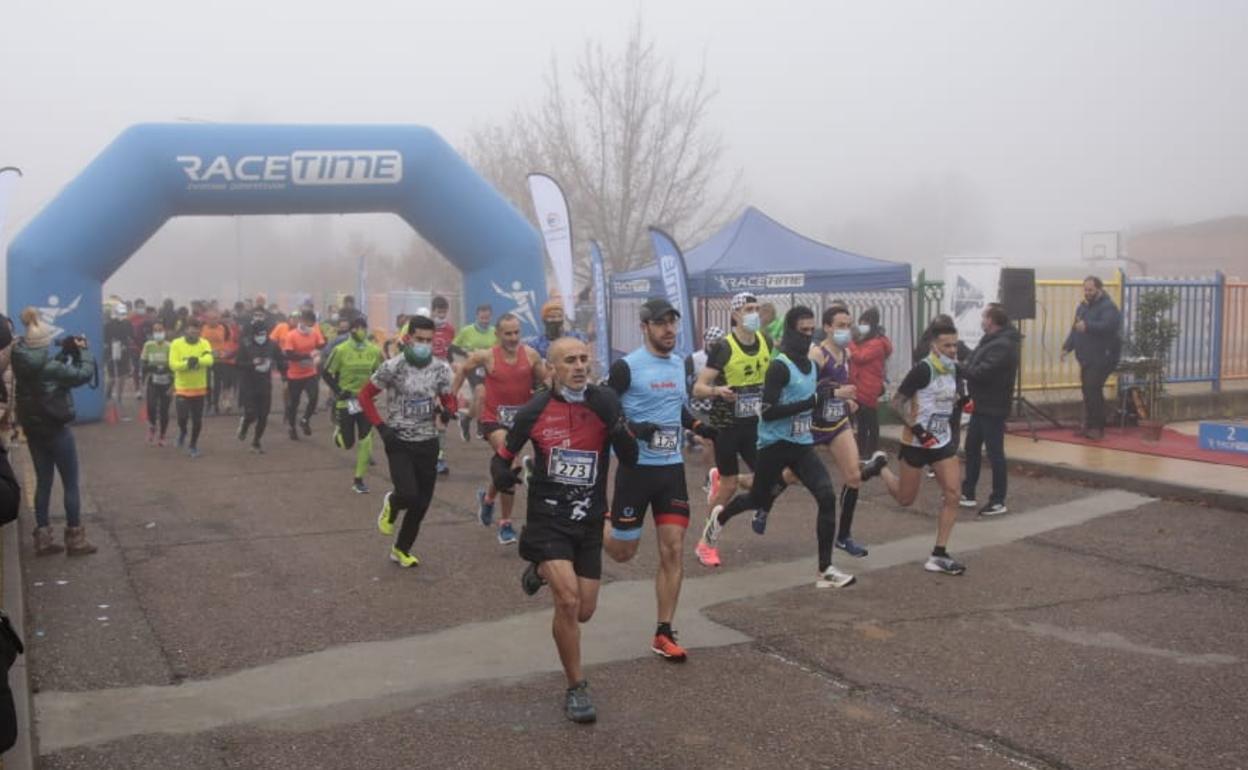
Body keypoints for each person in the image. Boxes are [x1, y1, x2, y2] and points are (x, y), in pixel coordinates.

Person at [498, 336, 639, 724]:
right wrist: (503, 477)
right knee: (568, 600)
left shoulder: (603, 402)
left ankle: (539, 569)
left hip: (590, 519)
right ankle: (576, 687)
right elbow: (504, 455)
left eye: (584, 359)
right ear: (551, 369)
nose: (579, 366)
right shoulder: (535, 409)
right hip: (548, 520)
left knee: (586, 611)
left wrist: (615, 422)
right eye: (569, 361)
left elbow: (631, 456)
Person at [700, 306, 856, 588]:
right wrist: (810, 404)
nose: (807, 336)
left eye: (811, 331)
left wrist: (834, 396)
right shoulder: (779, 366)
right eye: (802, 331)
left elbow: (814, 393)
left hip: (801, 444)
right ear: (790, 332)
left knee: (826, 496)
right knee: (758, 500)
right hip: (774, 445)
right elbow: (768, 411)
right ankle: (719, 517)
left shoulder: (811, 365)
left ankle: (825, 570)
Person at [604, 298, 716, 662]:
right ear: (645, 327)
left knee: (672, 548)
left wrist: (698, 426)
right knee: (623, 553)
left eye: (672, 323)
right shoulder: (626, 367)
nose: (669, 330)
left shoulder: (678, 363)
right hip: (636, 471)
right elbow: (603, 409)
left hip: (670, 470)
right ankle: (595, 522)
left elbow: (676, 408)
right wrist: (632, 428)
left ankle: (663, 631)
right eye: (661, 323)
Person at [358, 315, 457, 567]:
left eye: (429, 340)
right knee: (408, 494)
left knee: (422, 503)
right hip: (399, 440)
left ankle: (401, 549)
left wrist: (448, 410)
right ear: (408, 337)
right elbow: (365, 396)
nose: (424, 344)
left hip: (428, 442)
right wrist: (381, 428)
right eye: (419, 339)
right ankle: (392, 502)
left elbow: (449, 399)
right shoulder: (393, 366)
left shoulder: (441, 368)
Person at [878, 319, 967, 575]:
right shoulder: (922, 370)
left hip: (940, 442)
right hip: (916, 442)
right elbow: (894, 404)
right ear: (934, 346)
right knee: (906, 499)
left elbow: (956, 396)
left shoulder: (954, 369)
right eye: (946, 345)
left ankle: (939, 554)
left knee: (953, 494)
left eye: (955, 345)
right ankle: (881, 467)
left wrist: (961, 403)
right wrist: (917, 428)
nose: (952, 350)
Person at [691, 292, 772, 564]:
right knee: (727, 487)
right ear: (736, 314)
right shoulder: (723, 347)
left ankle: (736, 485)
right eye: (749, 309)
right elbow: (698, 388)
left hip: (754, 424)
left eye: (757, 308)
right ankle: (706, 543)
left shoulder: (765, 340)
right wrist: (717, 391)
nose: (754, 314)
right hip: (727, 426)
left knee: (771, 478)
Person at [452, 313, 546, 545]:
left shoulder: (531, 355)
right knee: (511, 463)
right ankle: (505, 523)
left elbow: (547, 384)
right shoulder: (486, 356)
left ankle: (488, 499)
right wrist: (451, 398)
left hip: (521, 422)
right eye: (508, 333)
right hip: (493, 419)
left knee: (503, 467)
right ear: (497, 334)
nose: (513, 338)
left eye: (516, 332)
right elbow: (463, 369)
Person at [12, 308, 98, 556]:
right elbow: (82, 374)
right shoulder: (50, 368)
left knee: (43, 483)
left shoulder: (21, 362)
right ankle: (75, 538)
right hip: (57, 430)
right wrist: (84, 351)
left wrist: (63, 353)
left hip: (35, 431)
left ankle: (43, 538)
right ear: (43, 344)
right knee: (70, 483)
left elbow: (46, 371)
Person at [808, 306, 889, 556]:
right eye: (841, 325)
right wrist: (835, 394)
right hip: (812, 424)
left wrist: (847, 400)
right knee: (790, 476)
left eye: (848, 325)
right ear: (828, 327)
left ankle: (843, 536)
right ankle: (761, 502)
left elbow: (841, 385)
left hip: (838, 422)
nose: (846, 330)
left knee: (853, 477)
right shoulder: (816, 353)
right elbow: (804, 392)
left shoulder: (846, 353)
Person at [959, 305, 1020, 516]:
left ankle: (998, 500)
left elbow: (981, 372)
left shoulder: (1004, 345)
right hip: (981, 405)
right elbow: (973, 360)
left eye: (984, 317)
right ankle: (968, 493)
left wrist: (957, 367)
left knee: (995, 454)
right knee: (971, 448)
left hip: (993, 407)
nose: (982, 320)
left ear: (992, 320)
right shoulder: (991, 341)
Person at [323, 317, 384, 494]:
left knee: (365, 440)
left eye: (363, 327)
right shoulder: (340, 350)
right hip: (346, 402)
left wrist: (373, 391)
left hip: (365, 402)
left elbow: (380, 373)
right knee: (347, 443)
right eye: (357, 328)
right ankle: (338, 435)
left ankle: (359, 480)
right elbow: (326, 373)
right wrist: (339, 390)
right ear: (351, 330)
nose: (361, 330)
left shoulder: (373, 350)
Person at [1062, 276, 1121, 440]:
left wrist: (1088, 326)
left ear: (1099, 290)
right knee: (1087, 391)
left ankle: (1097, 427)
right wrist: (1067, 347)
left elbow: (1108, 326)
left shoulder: (1109, 307)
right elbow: (1075, 329)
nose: (1087, 293)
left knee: (1093, 390)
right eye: (1085, 289)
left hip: (1103, 356)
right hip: (1086, 356)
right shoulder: (1083, 307)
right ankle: (1089, 425)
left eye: (1090, 290)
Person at [237, 314, 287, 454]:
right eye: (258, 334)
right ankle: (245, 424)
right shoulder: (245, 344)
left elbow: (281, 360)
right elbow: (238, 364)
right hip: (249, 384)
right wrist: (252, 364)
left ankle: (256, 442)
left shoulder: (272, 345)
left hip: (265, 384)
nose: (261, 337)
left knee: (264, 415)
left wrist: (283, 368)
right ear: (253, 334)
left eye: (264, 334)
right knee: (251, 413)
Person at [450, 304, 496, 453]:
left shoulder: (494, 332)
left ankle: (467, 419)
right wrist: (466, 354)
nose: (484, 320)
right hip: (472, 367)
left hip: (487, 367)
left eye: (487, 317)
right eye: (482, 317)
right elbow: (453, 347)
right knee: (480, 392)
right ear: (477, 316)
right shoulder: (467, 331)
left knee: (479, 398)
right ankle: (481, 425)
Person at [849, 306, 892, 457]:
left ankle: (869, 450)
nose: (862, 326)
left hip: (868, 385)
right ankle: (864, 450)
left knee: (868, 420)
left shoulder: (876, 343)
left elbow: (860, 357)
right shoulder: (866, 340)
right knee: (865, 420)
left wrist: (850, 344)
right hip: (861, 384)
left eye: (865, 323)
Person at [169, 319, 214, 458]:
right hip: (182, 388)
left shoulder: (204, 343)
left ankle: (193, 445)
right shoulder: (176, 344)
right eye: (190, 329)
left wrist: (198, 361)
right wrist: (188, 363)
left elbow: (209, 360)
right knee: (182, 417)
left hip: (199, 388)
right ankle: (183, 432)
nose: (194, 331)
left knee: (197, 420)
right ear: (185, 330)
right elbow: (173, 364)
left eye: (196, 329)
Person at [281, 310, 325, 440]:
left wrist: (318, 353)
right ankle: (292, 427)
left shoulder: (314, 333)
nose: (310, 327)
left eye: (312, 324)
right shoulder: (291, 335)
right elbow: (289, 355)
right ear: (301, 321)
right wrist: (307, 355)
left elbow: (322, 345)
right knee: (294, 402)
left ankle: (305, 420)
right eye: (308, 323)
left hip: (310, 373)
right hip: (295, 375)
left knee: (313, 398)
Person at [140, 322, 173, 446]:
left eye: (160, 330)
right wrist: (153, 368)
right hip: (153, 380)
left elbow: (173, 364)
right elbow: (143, 363)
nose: (158, 333)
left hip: (167, 381)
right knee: (151, 406)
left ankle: (163, 435)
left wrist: (167, 372)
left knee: (164, 410)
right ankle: (152, 426)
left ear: (164, 331)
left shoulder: (170, 346)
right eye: (155, 330)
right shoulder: (148, 345)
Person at [201, 311, 235, 416]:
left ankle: (215, 404)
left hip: (220, 361)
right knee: (207, 383)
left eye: (215, 318)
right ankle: (208, 403)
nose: (213, 320)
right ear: (207, 319)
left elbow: (229, 342)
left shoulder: (224, 329)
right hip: (206, 359)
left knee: (217, 384)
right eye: (211, 318)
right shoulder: (203, 329)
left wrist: (226, 353)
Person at [103, 303, 134, 407]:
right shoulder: (108, 325)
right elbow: (105, 340)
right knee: (113, 376)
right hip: (113, 352)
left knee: (121, 376)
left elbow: (131, 336)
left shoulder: (126, 323)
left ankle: (117, 397)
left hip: (123, 352)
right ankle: (109, 394)